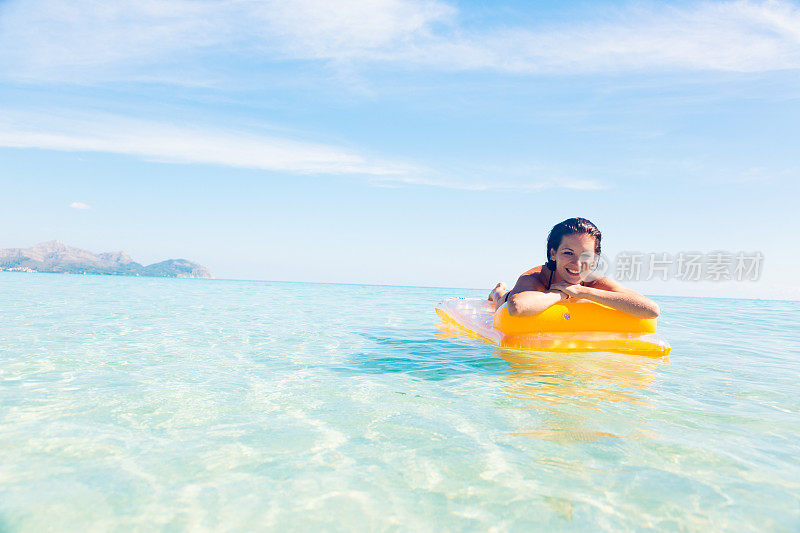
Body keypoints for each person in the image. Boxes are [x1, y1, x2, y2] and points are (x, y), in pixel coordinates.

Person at [488, 218, 660, 319]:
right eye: (569, 253)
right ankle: (498, 290)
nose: (578, 263)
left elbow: (652, 310)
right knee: (500, 298)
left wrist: (582, 292)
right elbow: (517, 307)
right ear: (553, 253)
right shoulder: (534, 277)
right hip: (519, 295)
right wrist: (561, 293)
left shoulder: (594, 281)